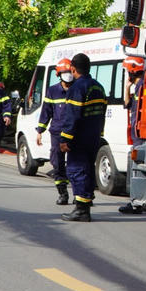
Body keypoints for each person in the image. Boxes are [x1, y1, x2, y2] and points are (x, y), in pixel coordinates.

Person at [59, 53, 105, 222]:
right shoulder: (99, 87)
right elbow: (101, 114)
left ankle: (81, 210)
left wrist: (65, 139)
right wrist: (99, 133)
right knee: (87, 170)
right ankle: (86, 202)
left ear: (73, 69)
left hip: (79, 138)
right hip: (93, 137)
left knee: (77, 170)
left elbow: (72, 116)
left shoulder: (77, 88)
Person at [36, 58, 72, 205]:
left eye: (69, 72)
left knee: (76, 164)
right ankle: (63, 193)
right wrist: (40, 131)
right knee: (57, 163)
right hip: (57, 133)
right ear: (59, 74)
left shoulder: (78, 89)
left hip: (74, 133)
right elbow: (46, 112)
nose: (68, 75)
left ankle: (79, 195)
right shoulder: (53, 91)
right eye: (65, 72)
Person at [119, 59, 146, 215]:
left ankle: (136, 203)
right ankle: (141, 201)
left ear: (132, 71)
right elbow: (127, 105)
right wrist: (127, 88)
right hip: (137, 134)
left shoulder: (142, 85)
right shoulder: (138, 86)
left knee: (137, 169)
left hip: (140, 135)